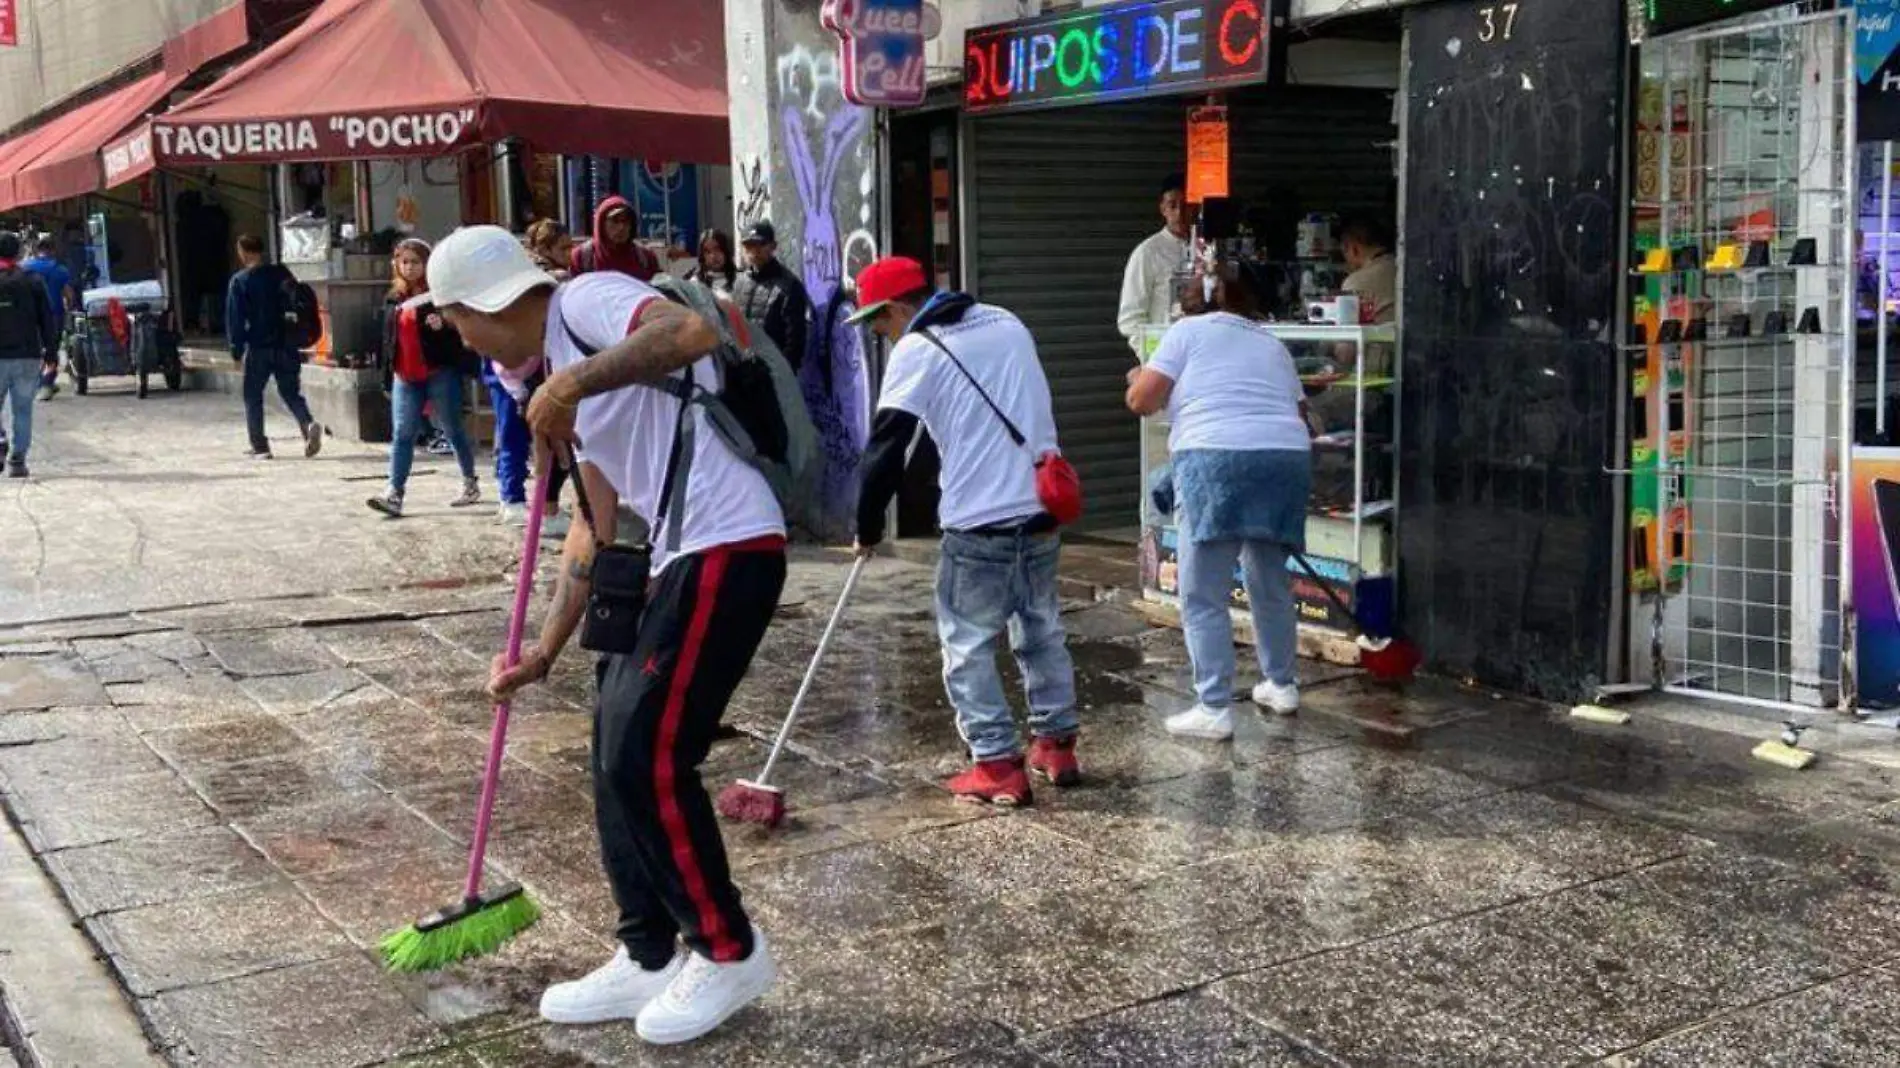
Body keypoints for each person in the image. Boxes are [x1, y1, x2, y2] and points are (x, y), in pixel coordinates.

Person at [436, 225, 784, 1046]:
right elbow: (593, 531)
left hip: (730, 541)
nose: (457, 337)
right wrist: (543, 652)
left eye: (455, 319)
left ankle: (728, 950)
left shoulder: (584, 302)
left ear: (484, 306)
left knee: (649, 753)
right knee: (608, 751)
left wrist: (570, 384)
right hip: (672, 554)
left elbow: (684, 331)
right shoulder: (556, 376)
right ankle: (648, 950)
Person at [849, 255, 1080, 806]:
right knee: (1042, 629)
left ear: (898, 307)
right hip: (1043, 508)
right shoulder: (1006, 321)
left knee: (968, 643)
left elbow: (886, 447)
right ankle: (1057, 744)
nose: (880, 335)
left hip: (979, 522)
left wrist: (864, 525)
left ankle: (997, 764)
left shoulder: (917, 349)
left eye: (878, 323)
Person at [1125, 258, 1313, 741]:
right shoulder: (1270, 342)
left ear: (1191, 299)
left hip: (1215, 460)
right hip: (1284, 460)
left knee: (1202, 591)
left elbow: (1142, 400)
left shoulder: (1187, 332)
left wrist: (1138, 379)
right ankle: (1281, 684)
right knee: (1268, 578)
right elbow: (1300, 412)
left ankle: (1213, 705)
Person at [367, 238, 481, 518]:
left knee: (451, 427)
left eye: (415, 262)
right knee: (403, 434)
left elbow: (461, 331)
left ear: (428, 265)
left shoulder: (440, 295)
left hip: (439, 371)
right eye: (404, 262)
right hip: (405, 375)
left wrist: (444, 325)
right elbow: (387, 340)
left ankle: (470, 482)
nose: (409, 267)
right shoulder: (394, 298)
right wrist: (385, 375)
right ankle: (394, 493)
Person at [226, 234, 324, 460]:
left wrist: (236, 350)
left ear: (243, 252)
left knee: (252, 395)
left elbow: (236, 319)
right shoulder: (282, 274)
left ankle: (260, 446)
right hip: (287, 344)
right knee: (290, 392)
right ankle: (307, 423)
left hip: (259, 346)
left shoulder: (240, 281)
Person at [1117, 173, 1193, 357]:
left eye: (1186, 206)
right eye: (1172, 205)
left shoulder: (1207, 249)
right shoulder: (1147, 252)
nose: (1179, 212)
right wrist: (1151, 360)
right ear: (1162, 209)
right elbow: (1130, 319)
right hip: (1165, 358)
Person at [0, 231, 56, 479]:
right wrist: (52, 352)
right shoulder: (32, 280)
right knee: (23, 409)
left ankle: (0, 441)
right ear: (19, 252)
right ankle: (17, 460)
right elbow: (47, 318)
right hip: (28, 356)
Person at [731, 222, 810, 371]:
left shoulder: (789, 285)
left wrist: (782, 375)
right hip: (741, 372)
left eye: (760, 244)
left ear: (773, 246)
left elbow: (795, 341)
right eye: (749, 246)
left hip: (774, 374)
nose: (754, 251)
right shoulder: (739, 283)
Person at [22, 237, 74, 401]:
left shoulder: (25, 268)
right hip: (53, 315)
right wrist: (71, 308)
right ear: (52, 251)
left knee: (34, 350)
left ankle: (39, 383)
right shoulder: (59, 269)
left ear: (37, 251)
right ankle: (45, 384)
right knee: (51, 350)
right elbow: (68, 294)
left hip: (29, 316)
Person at [571, 196, 660, 282]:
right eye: (615, 221)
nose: (621, 227)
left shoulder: (645, 257)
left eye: (626, 221)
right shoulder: (582, 257)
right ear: (601, 224)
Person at [1339, 219, 1397, 325]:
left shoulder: (1355, 282)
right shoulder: (1404, 269)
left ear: (1354, 249)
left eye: (1344, 253)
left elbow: (1346, 336)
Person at [688, 229, 738, 295]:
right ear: (702, 256)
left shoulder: (740, 280)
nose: (713, 256)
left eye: (717, 249)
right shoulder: (695, 283)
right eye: (707, 252)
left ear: (725, 250)